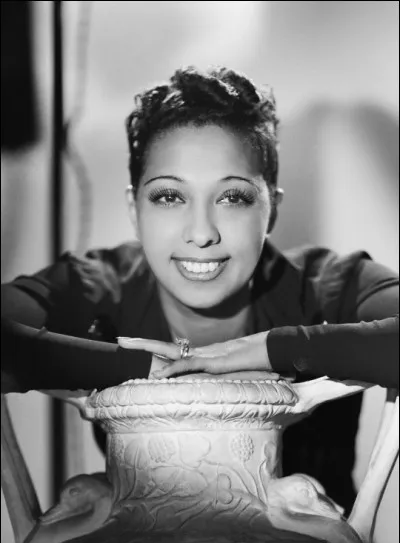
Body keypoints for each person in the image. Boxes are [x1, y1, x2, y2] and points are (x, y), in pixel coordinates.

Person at [1, 66, 398, 517]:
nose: (202, 233)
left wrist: (273, 349)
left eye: (233, 197)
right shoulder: (98, 284)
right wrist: (137, 367)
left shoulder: (330, 285)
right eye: (170, 196)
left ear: (271, 209)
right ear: (134, 209)